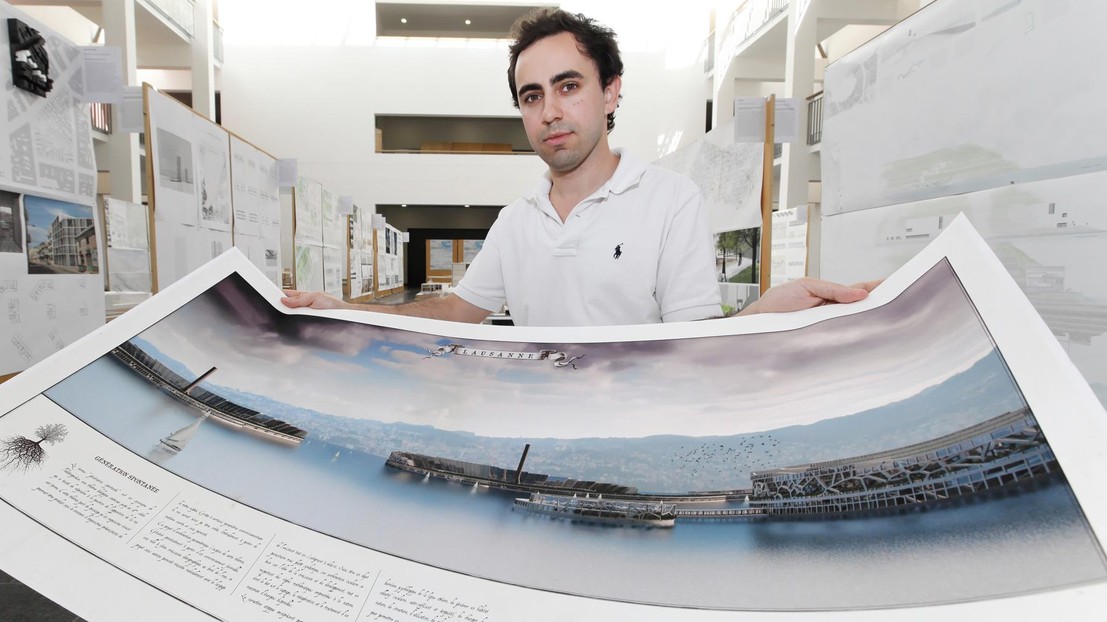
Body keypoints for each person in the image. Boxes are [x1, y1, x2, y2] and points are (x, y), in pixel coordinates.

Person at [281, 9, 875, 325]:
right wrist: (347, 308)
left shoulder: (670, 200)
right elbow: (457, 310)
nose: (551, 111)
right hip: (542, 445)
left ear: (611, 92)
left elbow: (694, 337)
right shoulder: (517, 221)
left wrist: (765, 316)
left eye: (568, 86)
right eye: (532, 96)